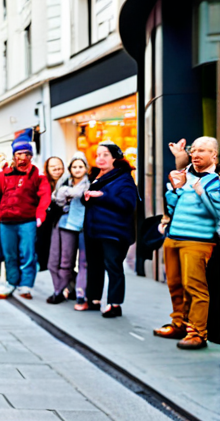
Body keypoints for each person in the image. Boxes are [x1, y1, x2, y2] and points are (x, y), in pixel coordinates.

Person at [154, 137, 220, 349]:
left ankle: (198, 332)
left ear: (214, 155)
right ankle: (179, 324)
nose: (196, 154)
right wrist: (175, 189)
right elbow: (172, 207)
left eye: (203, 150)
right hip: (174, 238)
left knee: (195, 287)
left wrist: (202, 193)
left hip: (198, 241)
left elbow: (217, 213)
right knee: (175, 285)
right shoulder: (186, 176)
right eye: (194, 150)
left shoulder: (215, 181)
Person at [0, 133, 51, 300]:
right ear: (14, 155)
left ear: (31, 156)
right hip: (6, 222)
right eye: (19, 154)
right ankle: (12, 282)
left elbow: (45, 196)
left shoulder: (38, 175)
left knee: (27, 254)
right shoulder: (2, 175)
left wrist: (40, 215)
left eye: (27, 154)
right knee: (9, 254)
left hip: (27, 221)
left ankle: (26, 285)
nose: (23, 157)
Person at [82, 142, 138, 318]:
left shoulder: (124, 179)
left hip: (113, 232)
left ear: (115, 157)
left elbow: (128, 205)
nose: (100, 158)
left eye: (105, 155)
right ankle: (93, 300)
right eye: (98, 155)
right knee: (94, 265)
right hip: (93, 230)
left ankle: (115, 304)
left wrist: (103, 196)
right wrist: (88, 197)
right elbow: (93, 202)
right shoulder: (96, 177)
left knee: (113, 267)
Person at [47, 153, 89, 306]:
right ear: (70, 169)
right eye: (75, 167)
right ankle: (60, 290)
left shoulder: (90, 184)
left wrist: (67, 193)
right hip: (66, 224)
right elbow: (57, 200)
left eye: (81, 166)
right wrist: (64, 193)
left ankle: (80, 293)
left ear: (86, 168)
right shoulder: (65, 184)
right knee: (65, 260)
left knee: (84, 262)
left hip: (85, 226)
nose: (77, 169)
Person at [37, 156, 65, 271]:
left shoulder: (67, 182)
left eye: (59, 167)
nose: (56, 169)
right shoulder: (42, 182)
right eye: (53, 167)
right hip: (44, 222)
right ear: (47, 168)